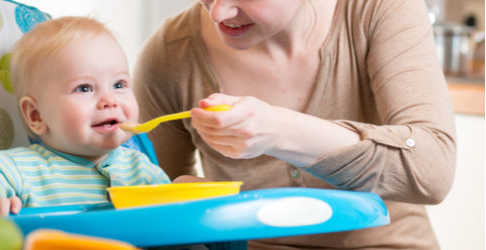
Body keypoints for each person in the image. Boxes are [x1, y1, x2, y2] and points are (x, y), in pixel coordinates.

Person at [132, 0, 456, 249]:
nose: (218, 12)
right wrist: (182, 199)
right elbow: (156, 213)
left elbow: (432, 169)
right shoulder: (169, 54)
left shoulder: (378, 10)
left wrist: (279, 130)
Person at [0, 16, 171, 216]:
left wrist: (188, 186)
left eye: (119, 84)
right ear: (36, 115)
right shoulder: (16, 168)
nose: (110, 100)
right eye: (84, 88)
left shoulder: (141, 169)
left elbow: (174, 217)